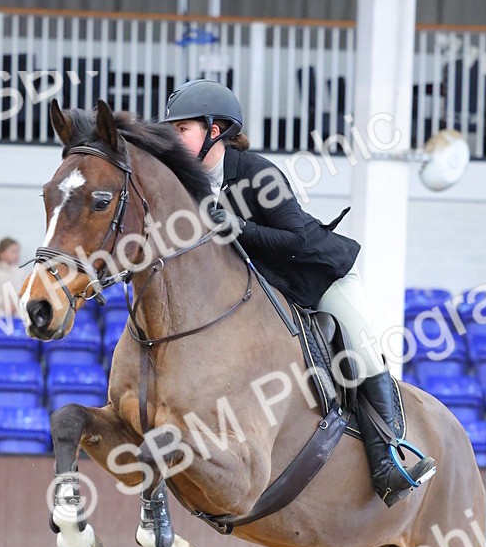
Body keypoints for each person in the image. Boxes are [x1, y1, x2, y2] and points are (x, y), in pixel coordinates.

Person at [163, 79, 436, 507]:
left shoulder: (256, 173)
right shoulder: (186, 181)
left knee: (360, 351)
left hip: (318, 275)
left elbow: (296, 239)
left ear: (215, 130)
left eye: (182, 129)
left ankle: (389, 460)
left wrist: (238, 228)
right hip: (266, 288)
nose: (173, 138)